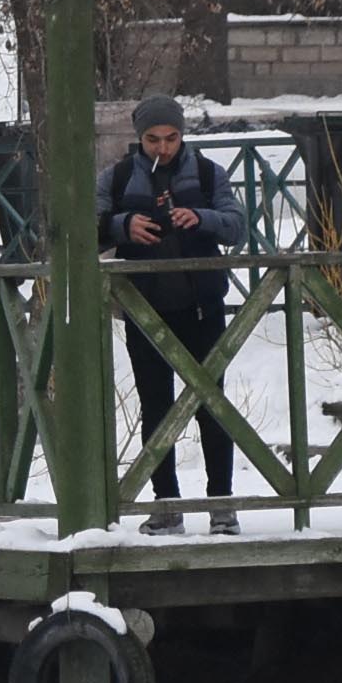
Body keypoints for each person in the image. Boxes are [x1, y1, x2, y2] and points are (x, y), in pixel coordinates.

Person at [98, 96, 247, 520]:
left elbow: (237, 225)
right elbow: (86, 226)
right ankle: (167, 505)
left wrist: (200, 218)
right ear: (138, 137)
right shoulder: (118, 176)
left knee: (211, 404)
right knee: (156, 406)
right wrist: (123, 226)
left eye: (171, 138)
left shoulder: (206, 172)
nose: (162, 147)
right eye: (152, 139)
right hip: (143, 307)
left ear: (182, 135)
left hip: (202, 306)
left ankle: (222, 504)